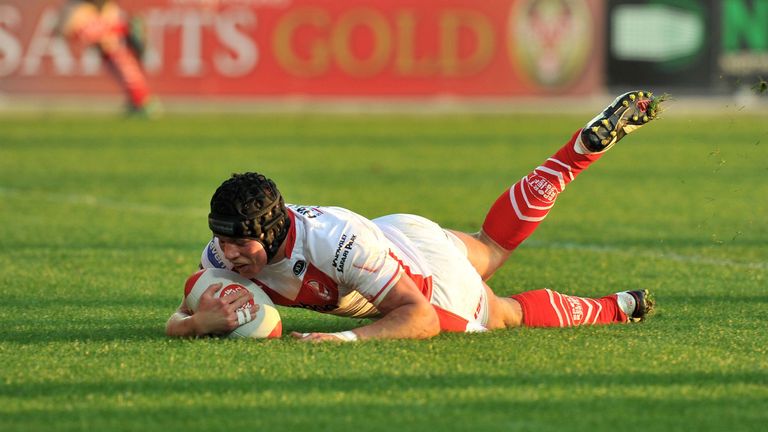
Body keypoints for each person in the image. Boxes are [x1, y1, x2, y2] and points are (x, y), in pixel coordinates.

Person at [166, 90, 663, 342]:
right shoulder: (224, 251)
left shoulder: (332, 241)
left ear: (274, 232)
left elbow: (418, 317)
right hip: (396, 231)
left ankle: (616, 307)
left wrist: (344, 341)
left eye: (240, 244)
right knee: (488, 243)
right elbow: (182, 311)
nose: (228, 255)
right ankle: (576, 151)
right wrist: (196, 323)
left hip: (426, 281)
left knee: (505, 310)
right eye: (222, 241)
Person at [57, 0, 156, 116]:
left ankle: (141, 99)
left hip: (95, 5)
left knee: (113, 50)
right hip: (86, 4)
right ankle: (125, 29)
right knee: (109, 49)